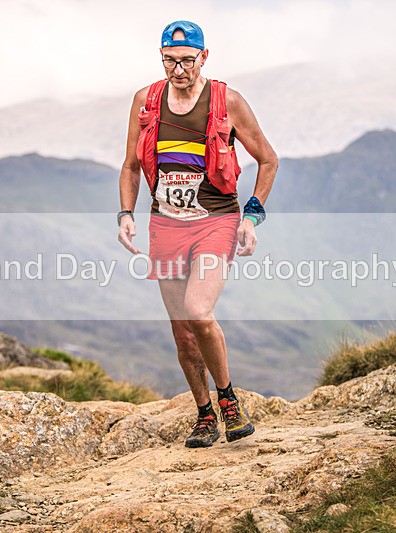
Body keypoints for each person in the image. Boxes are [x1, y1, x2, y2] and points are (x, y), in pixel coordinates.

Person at [117, 20, 278, 448]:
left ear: (204, 57)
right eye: (170, 61)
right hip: (165, 224)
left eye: (187, 61)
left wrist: (252, 215)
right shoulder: (145, 100)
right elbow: (131, 166)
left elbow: (268, 160)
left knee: (198, 311)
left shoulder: (228, 101)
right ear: (161, 58)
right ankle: (204, 414)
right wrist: (125, 214)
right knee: (182, 330)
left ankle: (229, 400)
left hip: (215, 221)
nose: (179, 70)